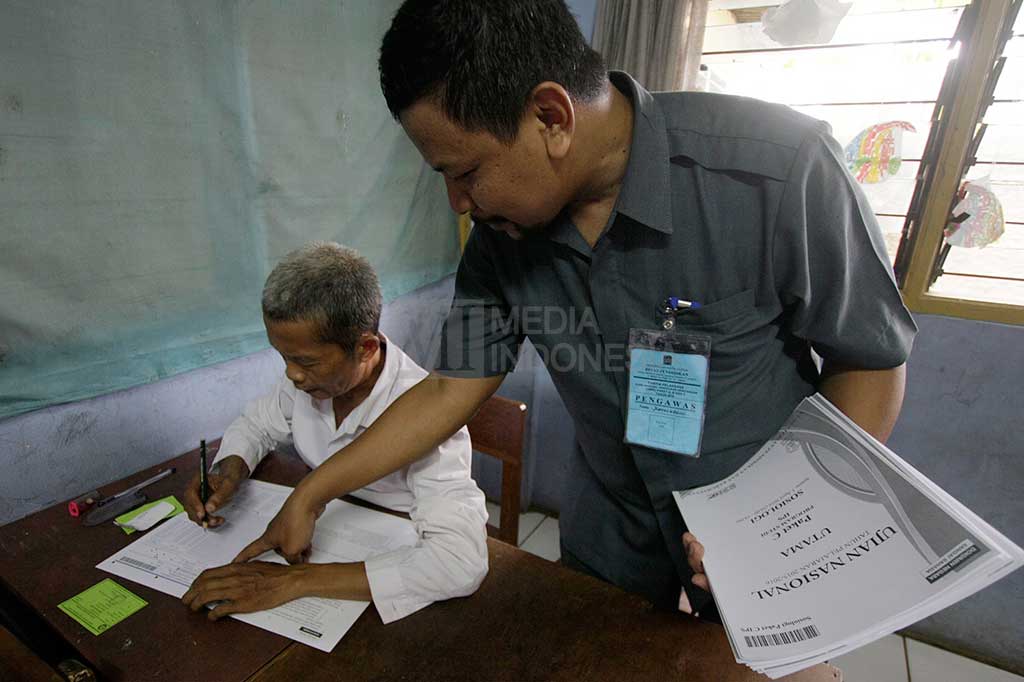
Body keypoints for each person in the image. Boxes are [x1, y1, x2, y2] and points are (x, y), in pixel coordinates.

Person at [235, 0, 917, 617]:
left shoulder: (776, 169)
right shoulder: (503, 241)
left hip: (761, 525)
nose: (459, 203)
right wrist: (313, 490)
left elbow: (869, 362)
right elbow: (449, 389)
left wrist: (780, 522)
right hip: (612, 524)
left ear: (551, 117)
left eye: (464, 172)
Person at [180, 242, 488, 623]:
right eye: (284, 357)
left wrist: (295, 581)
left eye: (305, 361)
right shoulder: (312, 382)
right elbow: (257, 423)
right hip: (325, 532)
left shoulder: (431, 421)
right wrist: (230, 468)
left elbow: (460, 562)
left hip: (382, 568)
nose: (292, 374)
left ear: (366, 347)